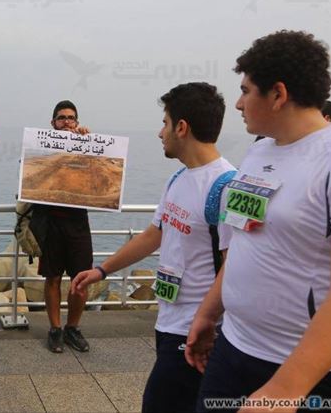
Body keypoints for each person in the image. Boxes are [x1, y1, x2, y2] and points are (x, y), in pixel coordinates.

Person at [186, 30, 331, 413]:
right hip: (236, 348)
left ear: (277, 94)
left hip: (322, 374)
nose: (239, 104)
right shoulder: (259, 153)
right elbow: (244, 241)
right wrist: (208, 313)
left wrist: (286, 389)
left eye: (246, 91)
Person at [72, 82, 235, 412]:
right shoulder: (178, 178)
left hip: (197, 333)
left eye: (164, 122)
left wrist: (205, 323)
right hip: (168, 323)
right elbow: (153, 235)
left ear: (181, 127)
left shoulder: (227, 186)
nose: (160, 132)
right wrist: (101, 270)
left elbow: (234, 267)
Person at [35, 100, 93, 354]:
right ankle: (55, 329)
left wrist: (89, 144)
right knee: (53, 278)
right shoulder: (39, 146)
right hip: (50, 223)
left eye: (71, 118)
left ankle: (72, 328)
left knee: (80, 281)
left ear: (77, 122)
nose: (66, 122)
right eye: (61, 118)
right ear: (53, 123)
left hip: (78, 222)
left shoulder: (88, 145)